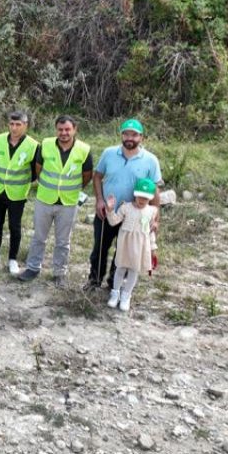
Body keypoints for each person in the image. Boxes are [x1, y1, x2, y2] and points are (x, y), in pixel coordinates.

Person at [17, 115, 92, 286]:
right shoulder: (46, 145)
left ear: (75, 129)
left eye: (67, 129)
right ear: (56, 130)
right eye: (60, 129)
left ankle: (59, 273)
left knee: (63, 241)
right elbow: (38, 169)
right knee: (38, 237)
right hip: (45, 199)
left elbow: (87, 175)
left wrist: (72, 188)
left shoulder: (84, 149)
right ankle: (33, 268)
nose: (64, 133)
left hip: (68, 202)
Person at [89, 119, 163, 291]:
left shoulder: (151, 160)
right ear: (121, 135)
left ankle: (114, 284)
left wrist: (156, 216)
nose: (130, 138)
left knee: (124, 252)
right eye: (126, 134)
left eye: (134, 135)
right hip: (106, 212)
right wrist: (99, 199)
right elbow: (97, 176)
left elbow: (155, 189)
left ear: (141, 137)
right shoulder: (109, 153)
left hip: (133, 215)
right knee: (99, 248)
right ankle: (94, 281)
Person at [0, 111, 37, 273]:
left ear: (25, 125)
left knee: (15, 226)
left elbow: (34, 171)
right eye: (11, 124)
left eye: (18, 124)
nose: (14, 128)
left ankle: (12, 259)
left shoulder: (33, 145)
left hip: (17, 193)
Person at [105, 178, 160, 312]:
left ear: (150, 199)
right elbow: (113, 221)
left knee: (133, 271)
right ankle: (115, 293)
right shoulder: (126, 207)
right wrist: (110, 210)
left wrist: (153, 248)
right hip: (125, 244)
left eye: (146, 199)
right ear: (135, 194)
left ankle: (126, 295)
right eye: (140, 197)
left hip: (140, 246)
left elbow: (150, 232)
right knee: (120, 269)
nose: (142, 201)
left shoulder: (151, 211)